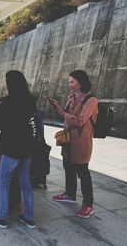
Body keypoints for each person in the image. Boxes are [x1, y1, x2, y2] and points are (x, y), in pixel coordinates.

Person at [0, 70, 36, 229]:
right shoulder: (30, 100)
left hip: (11, 149)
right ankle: (29, 218)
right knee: (26, 183)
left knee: (3, 182)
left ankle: (2, 217)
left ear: (9, 84)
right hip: (27, 148)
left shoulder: (5, 103)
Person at [47, 70, 98, 219]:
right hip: (68, 139)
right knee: (68, 166)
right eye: (69, 82)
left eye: (72, 82)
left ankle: (88, 205)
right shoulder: (72, 96)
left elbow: (80, 120)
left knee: (83, 172)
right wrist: (57, 107)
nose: (69, 85)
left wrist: (62, 113)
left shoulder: (91, 100)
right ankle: (70, 194)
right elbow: (67, 116)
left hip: (81, 141)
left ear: (80, 83)